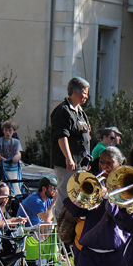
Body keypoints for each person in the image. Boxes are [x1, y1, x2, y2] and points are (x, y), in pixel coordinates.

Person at [51, 77, 92, 214]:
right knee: (65, 196)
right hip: (68, 164)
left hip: (80, 164)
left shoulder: (80, 112)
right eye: (84, 93)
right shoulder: (64, 110)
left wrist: (86, 160)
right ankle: (61, 228)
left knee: (77, 198)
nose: (86, 96)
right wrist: (68, 158)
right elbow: (62, 136)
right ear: (75, 91)